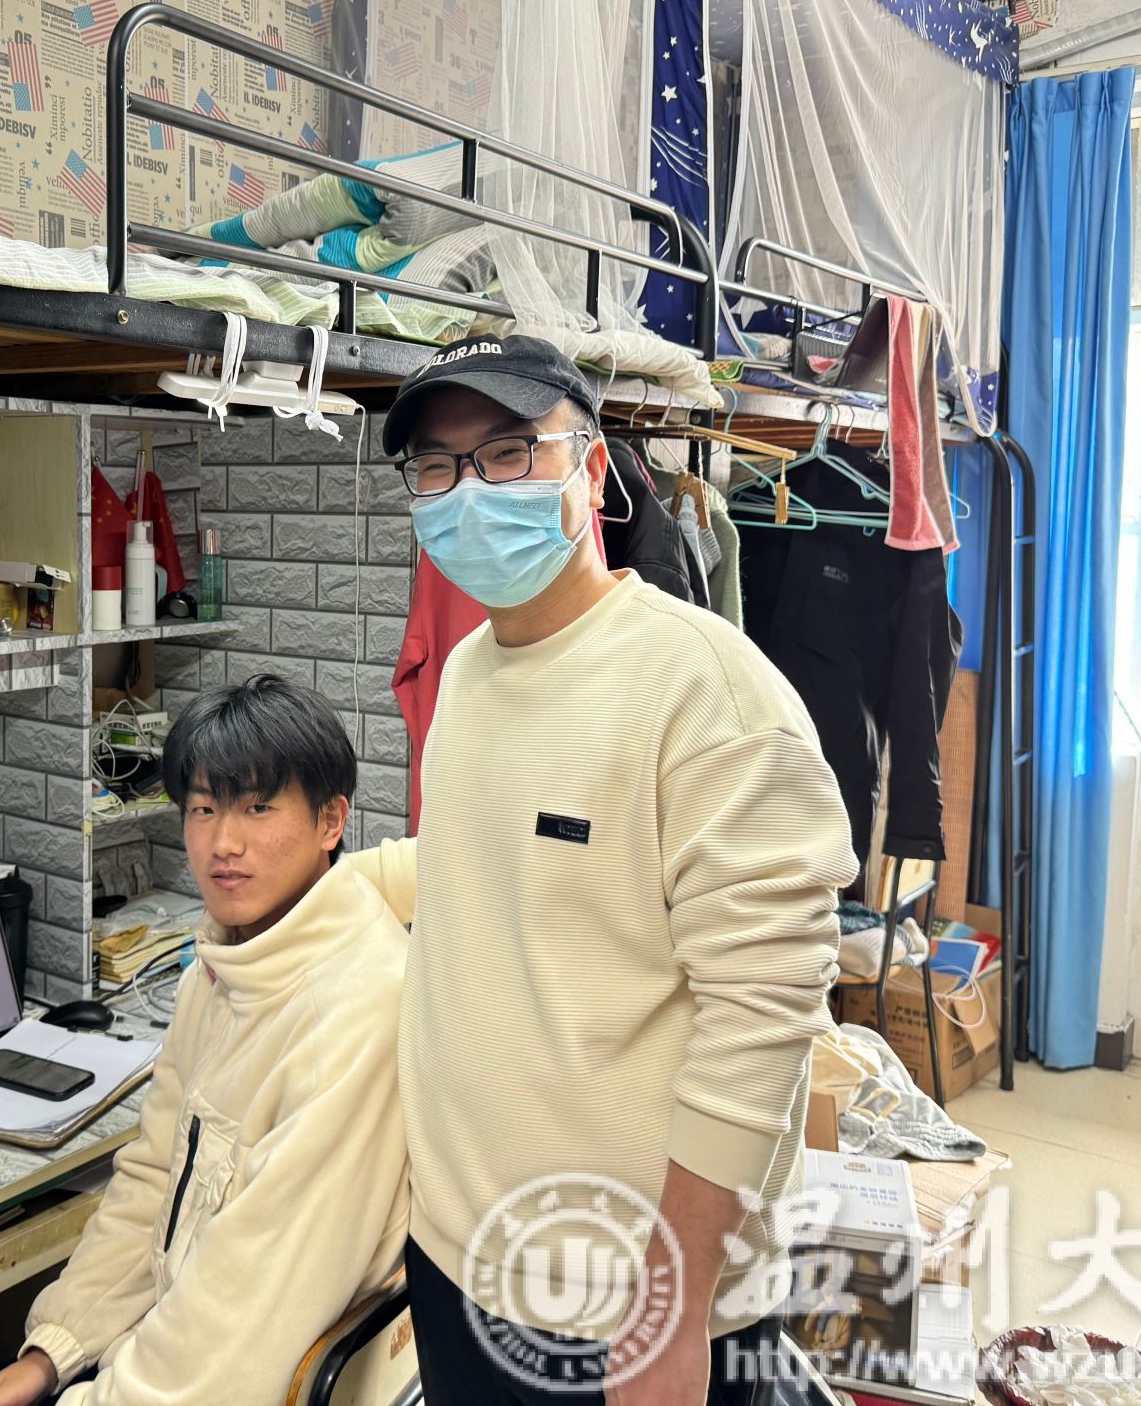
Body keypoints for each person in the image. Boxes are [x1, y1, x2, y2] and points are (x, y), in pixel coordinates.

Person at [347, 335, 856, 1406]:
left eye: (507, 452)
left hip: (625, 1305)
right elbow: (483, 867)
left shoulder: (707, 689)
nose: (468, 491)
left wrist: (671, 1307)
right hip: (460, 1258)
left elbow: (762, 1020)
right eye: (435, 467)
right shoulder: (472, 669)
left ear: (589, 469)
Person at [0, 675, 410, 1406]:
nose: (223, 843)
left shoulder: (356, 1014)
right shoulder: (221, 962)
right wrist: (54, 1348)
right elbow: (154, 1177)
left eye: (258, 807)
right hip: (173, 1352)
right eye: (203, 808)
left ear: (331, 821)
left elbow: (239, 1333)